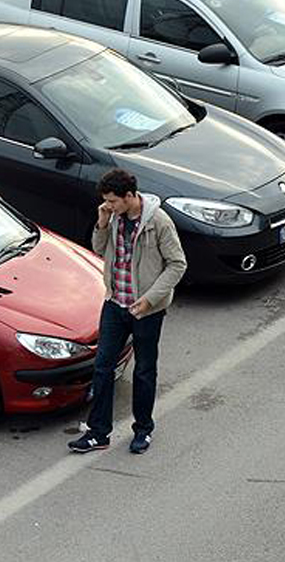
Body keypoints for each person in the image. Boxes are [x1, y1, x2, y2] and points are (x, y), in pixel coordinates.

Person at [68, 168, 187, 455]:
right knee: (102, 368)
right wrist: (102, 222)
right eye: (106, 201)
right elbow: (99, 250)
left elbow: (177, 264)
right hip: (114, 303)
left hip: (145, 310)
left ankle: (143, 430)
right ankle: (99, 433)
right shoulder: (113, 217)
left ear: (131, 196)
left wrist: (150, 299)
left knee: (144, 371)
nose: (109, 205)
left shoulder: (158, 222)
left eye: (112, 201)